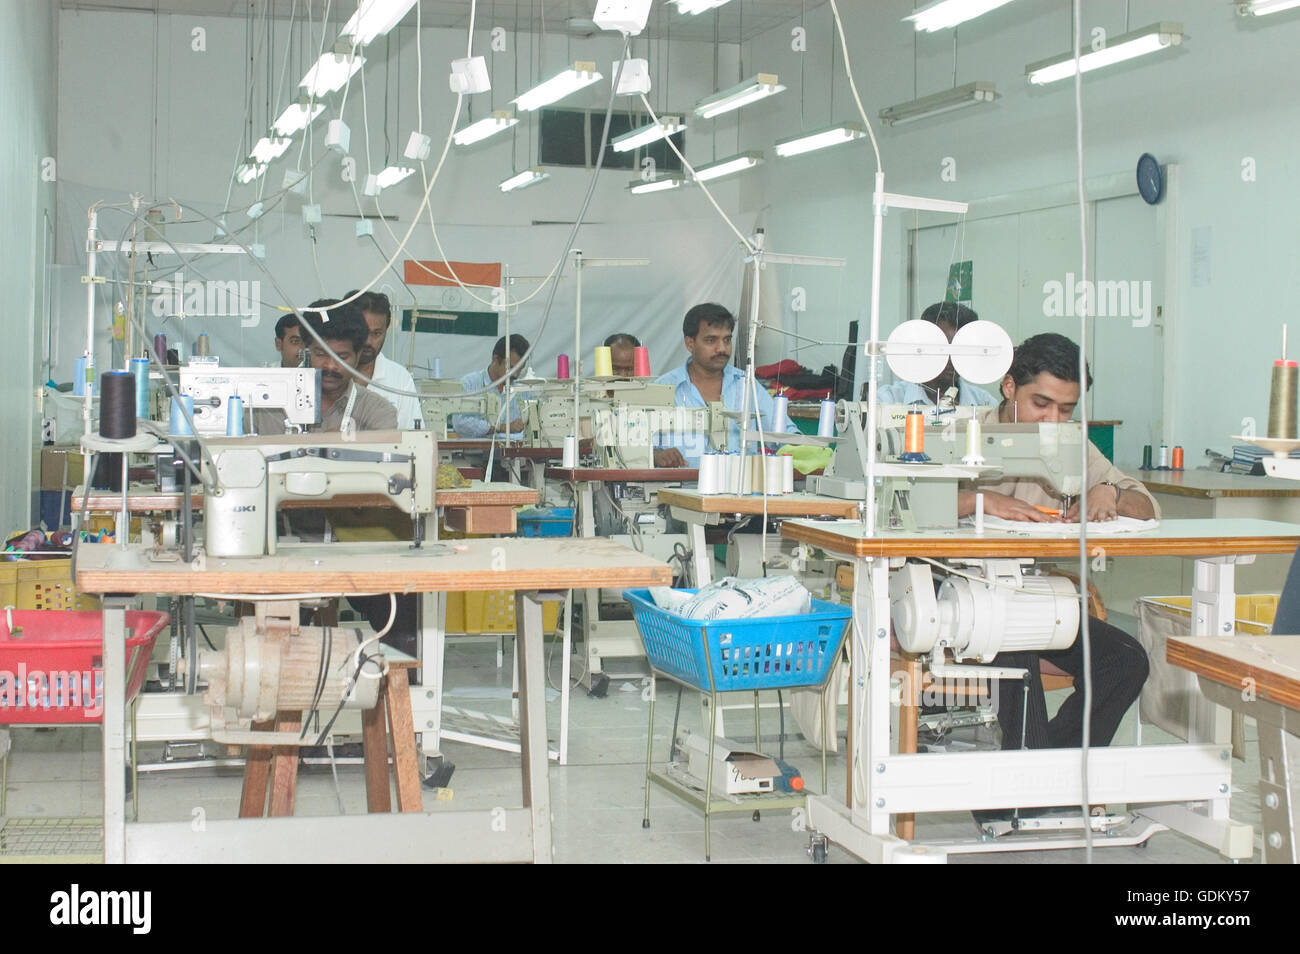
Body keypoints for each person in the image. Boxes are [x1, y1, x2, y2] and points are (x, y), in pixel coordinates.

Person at [957, 332, 1156, 762]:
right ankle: (1025, 786)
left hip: (1030, 596)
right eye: (1040, 404)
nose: (1052, 420)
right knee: (1016, 640)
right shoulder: (961, 435)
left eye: (1066, 410)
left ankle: (1054, 772)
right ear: (1009, 386)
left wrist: (1111, 493)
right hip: (957, 599)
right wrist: (980, 500)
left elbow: (1147, 505)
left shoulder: (1069, 445)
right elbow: (897, 502)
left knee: (1125, 661)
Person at [654, 303, 795, 468]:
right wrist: (655, 455)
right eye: (711, 340)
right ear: (690, 343)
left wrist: (801, 448)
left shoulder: (746, 384)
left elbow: (784, 435)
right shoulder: (663, 389)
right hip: (678, 489)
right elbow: (635, 447)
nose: (722, 348)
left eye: (727, 340)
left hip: (739, 488)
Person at [254, 300, 397, 436]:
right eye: (321, 354)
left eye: (342, 357)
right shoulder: (266, 407)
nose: (330, 365)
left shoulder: (378, 412)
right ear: (304, 350)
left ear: (358, 355)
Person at [876, 302, 999, 406]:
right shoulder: (888, 400)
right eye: (943, 348)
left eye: (960, 350)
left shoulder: (983, 402)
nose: (952, 359)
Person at [345, 289, 425, 431]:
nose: (368, 341)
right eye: (362, 332)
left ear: (386, 331)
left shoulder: (400, 379)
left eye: (377, 333)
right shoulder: (329, 373)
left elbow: (412, 439)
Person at [451, 334, 535, 438]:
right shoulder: (470, 383)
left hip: (515, 453)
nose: (516, 375)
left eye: (520, 369)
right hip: (475, 453)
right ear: (495, 359)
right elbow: (460, 423)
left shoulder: (523, 390)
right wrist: (502, 427)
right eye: (512, 368)